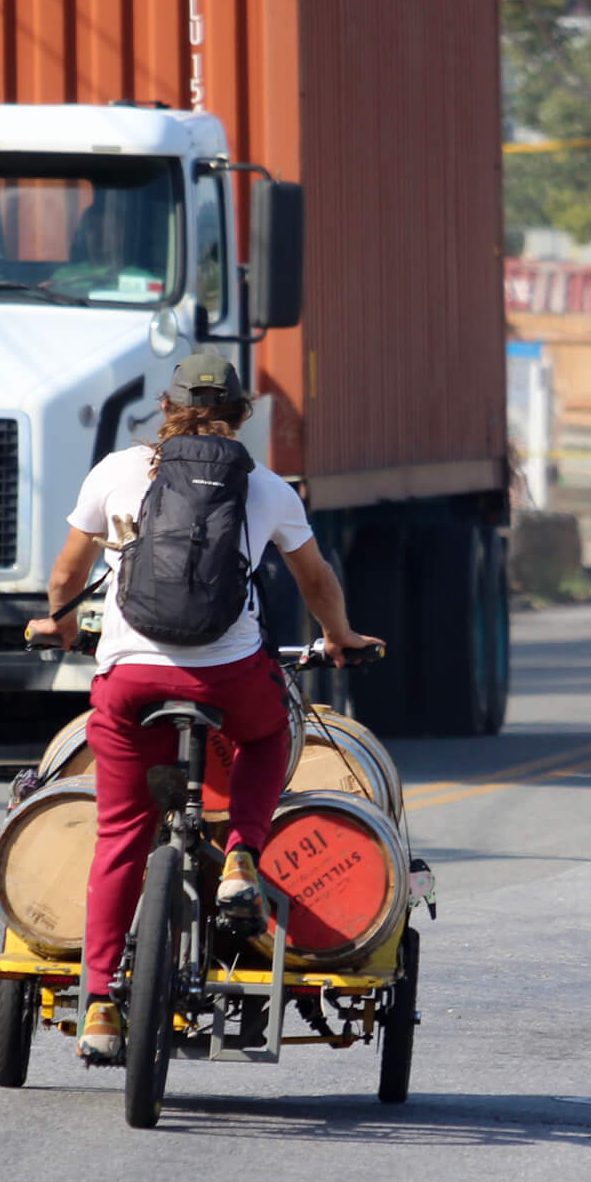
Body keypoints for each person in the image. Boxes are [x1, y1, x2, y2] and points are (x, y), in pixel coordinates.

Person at [26, 352, 381, 1059]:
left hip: (130, 683)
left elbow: (68, 571)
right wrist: (338, 636)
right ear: (242, 416)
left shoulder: (117, 473)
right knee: (266, 738)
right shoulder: (269, 489)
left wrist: (59, 627)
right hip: (227, 674)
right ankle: (243, 857)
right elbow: (314, 579)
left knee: (122, 836)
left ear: (166, 408)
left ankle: (99, 1008)